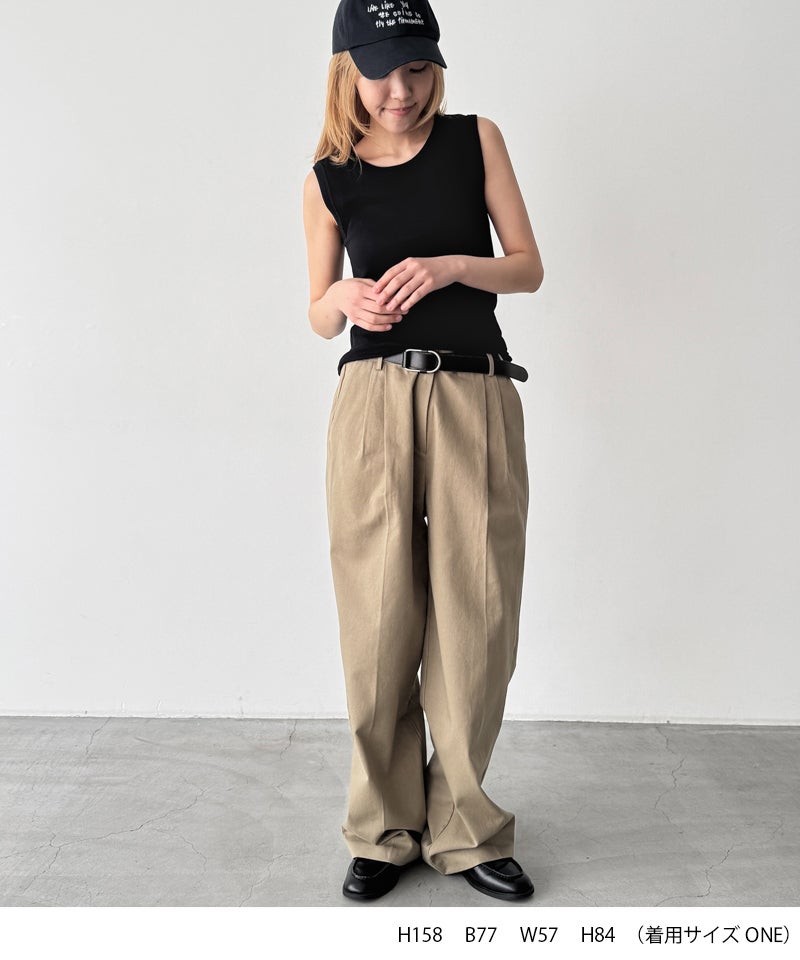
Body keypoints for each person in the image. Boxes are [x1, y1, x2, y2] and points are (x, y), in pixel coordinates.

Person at [302, 0, 543, 902]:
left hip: (475, 391)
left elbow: (527, 265)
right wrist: (343, 299)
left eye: (417, 69)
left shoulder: (476, 140)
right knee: (375, 620)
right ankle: (383, 827)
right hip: (371, 400)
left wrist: (452, 266)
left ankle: (466, 827)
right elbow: (317, 311)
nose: (400, 91)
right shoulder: (329, 176)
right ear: (347, 70)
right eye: (381, 72)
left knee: (477, 614)